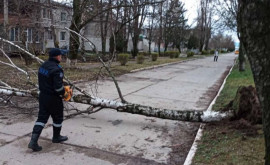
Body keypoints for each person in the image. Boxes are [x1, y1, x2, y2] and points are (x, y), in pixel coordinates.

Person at [28, 48, 72, 152]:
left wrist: (61, 83)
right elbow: (58, 88)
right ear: (57, 56)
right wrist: (65, 94)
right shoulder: (57, 69)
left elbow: (48, 79)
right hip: (53, 98)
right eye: (61, 55)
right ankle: (56, 137)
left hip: (43, 96)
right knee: (58, 118)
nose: (61, 57)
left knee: (41, 118)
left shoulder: (43, 66)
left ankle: (33, 141)